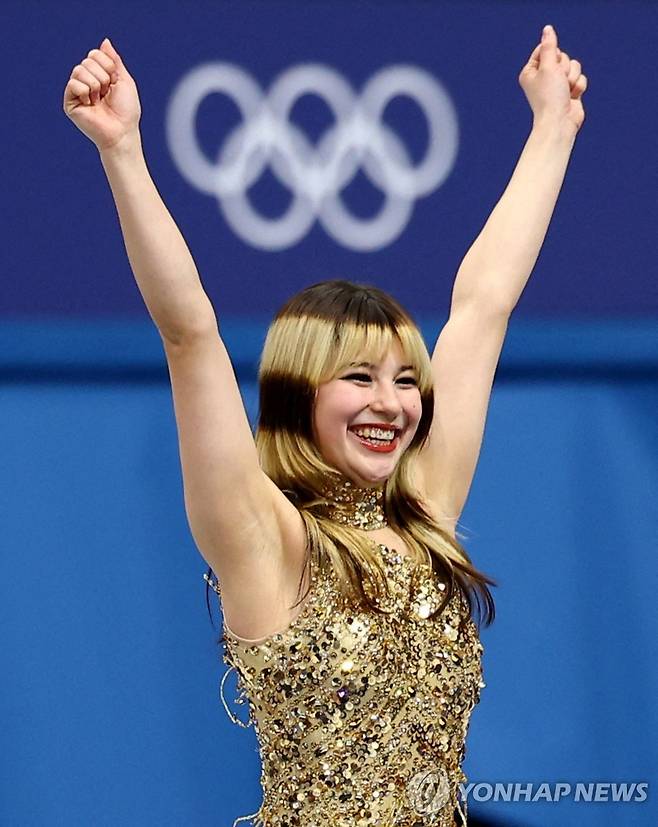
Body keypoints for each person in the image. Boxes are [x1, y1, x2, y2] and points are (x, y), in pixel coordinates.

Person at [63, 26, 587, 827]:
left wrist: (554, 127)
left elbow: (484, 305)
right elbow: (189, 332)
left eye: (407, 380)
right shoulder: (264, 538)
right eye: (360, 378)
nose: (394, 402)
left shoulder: (427, 514)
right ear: (301, 393)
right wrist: (123, 151)